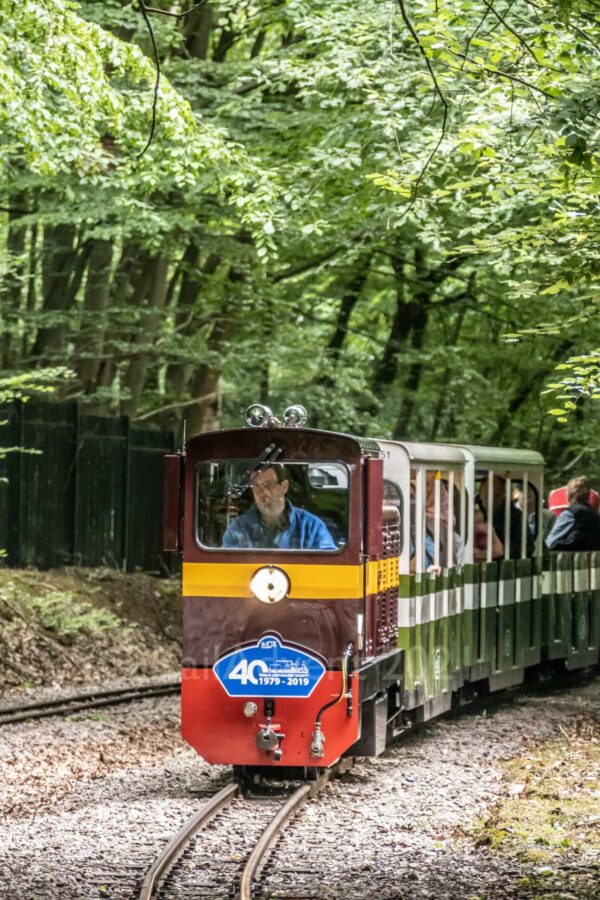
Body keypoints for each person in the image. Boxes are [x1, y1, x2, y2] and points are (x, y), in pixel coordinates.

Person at [222, 464, 336, 550]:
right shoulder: (238, 528)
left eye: (268, 485)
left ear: (284, 487)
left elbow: (331, 567)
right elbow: (225, 568)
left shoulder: (312, 527)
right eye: (256, 486)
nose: (262, 492)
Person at [545, 476, 600, 552]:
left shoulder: (570, 514)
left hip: (568, 559)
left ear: (568, 494)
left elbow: (550, 542)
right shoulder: (595, 515)